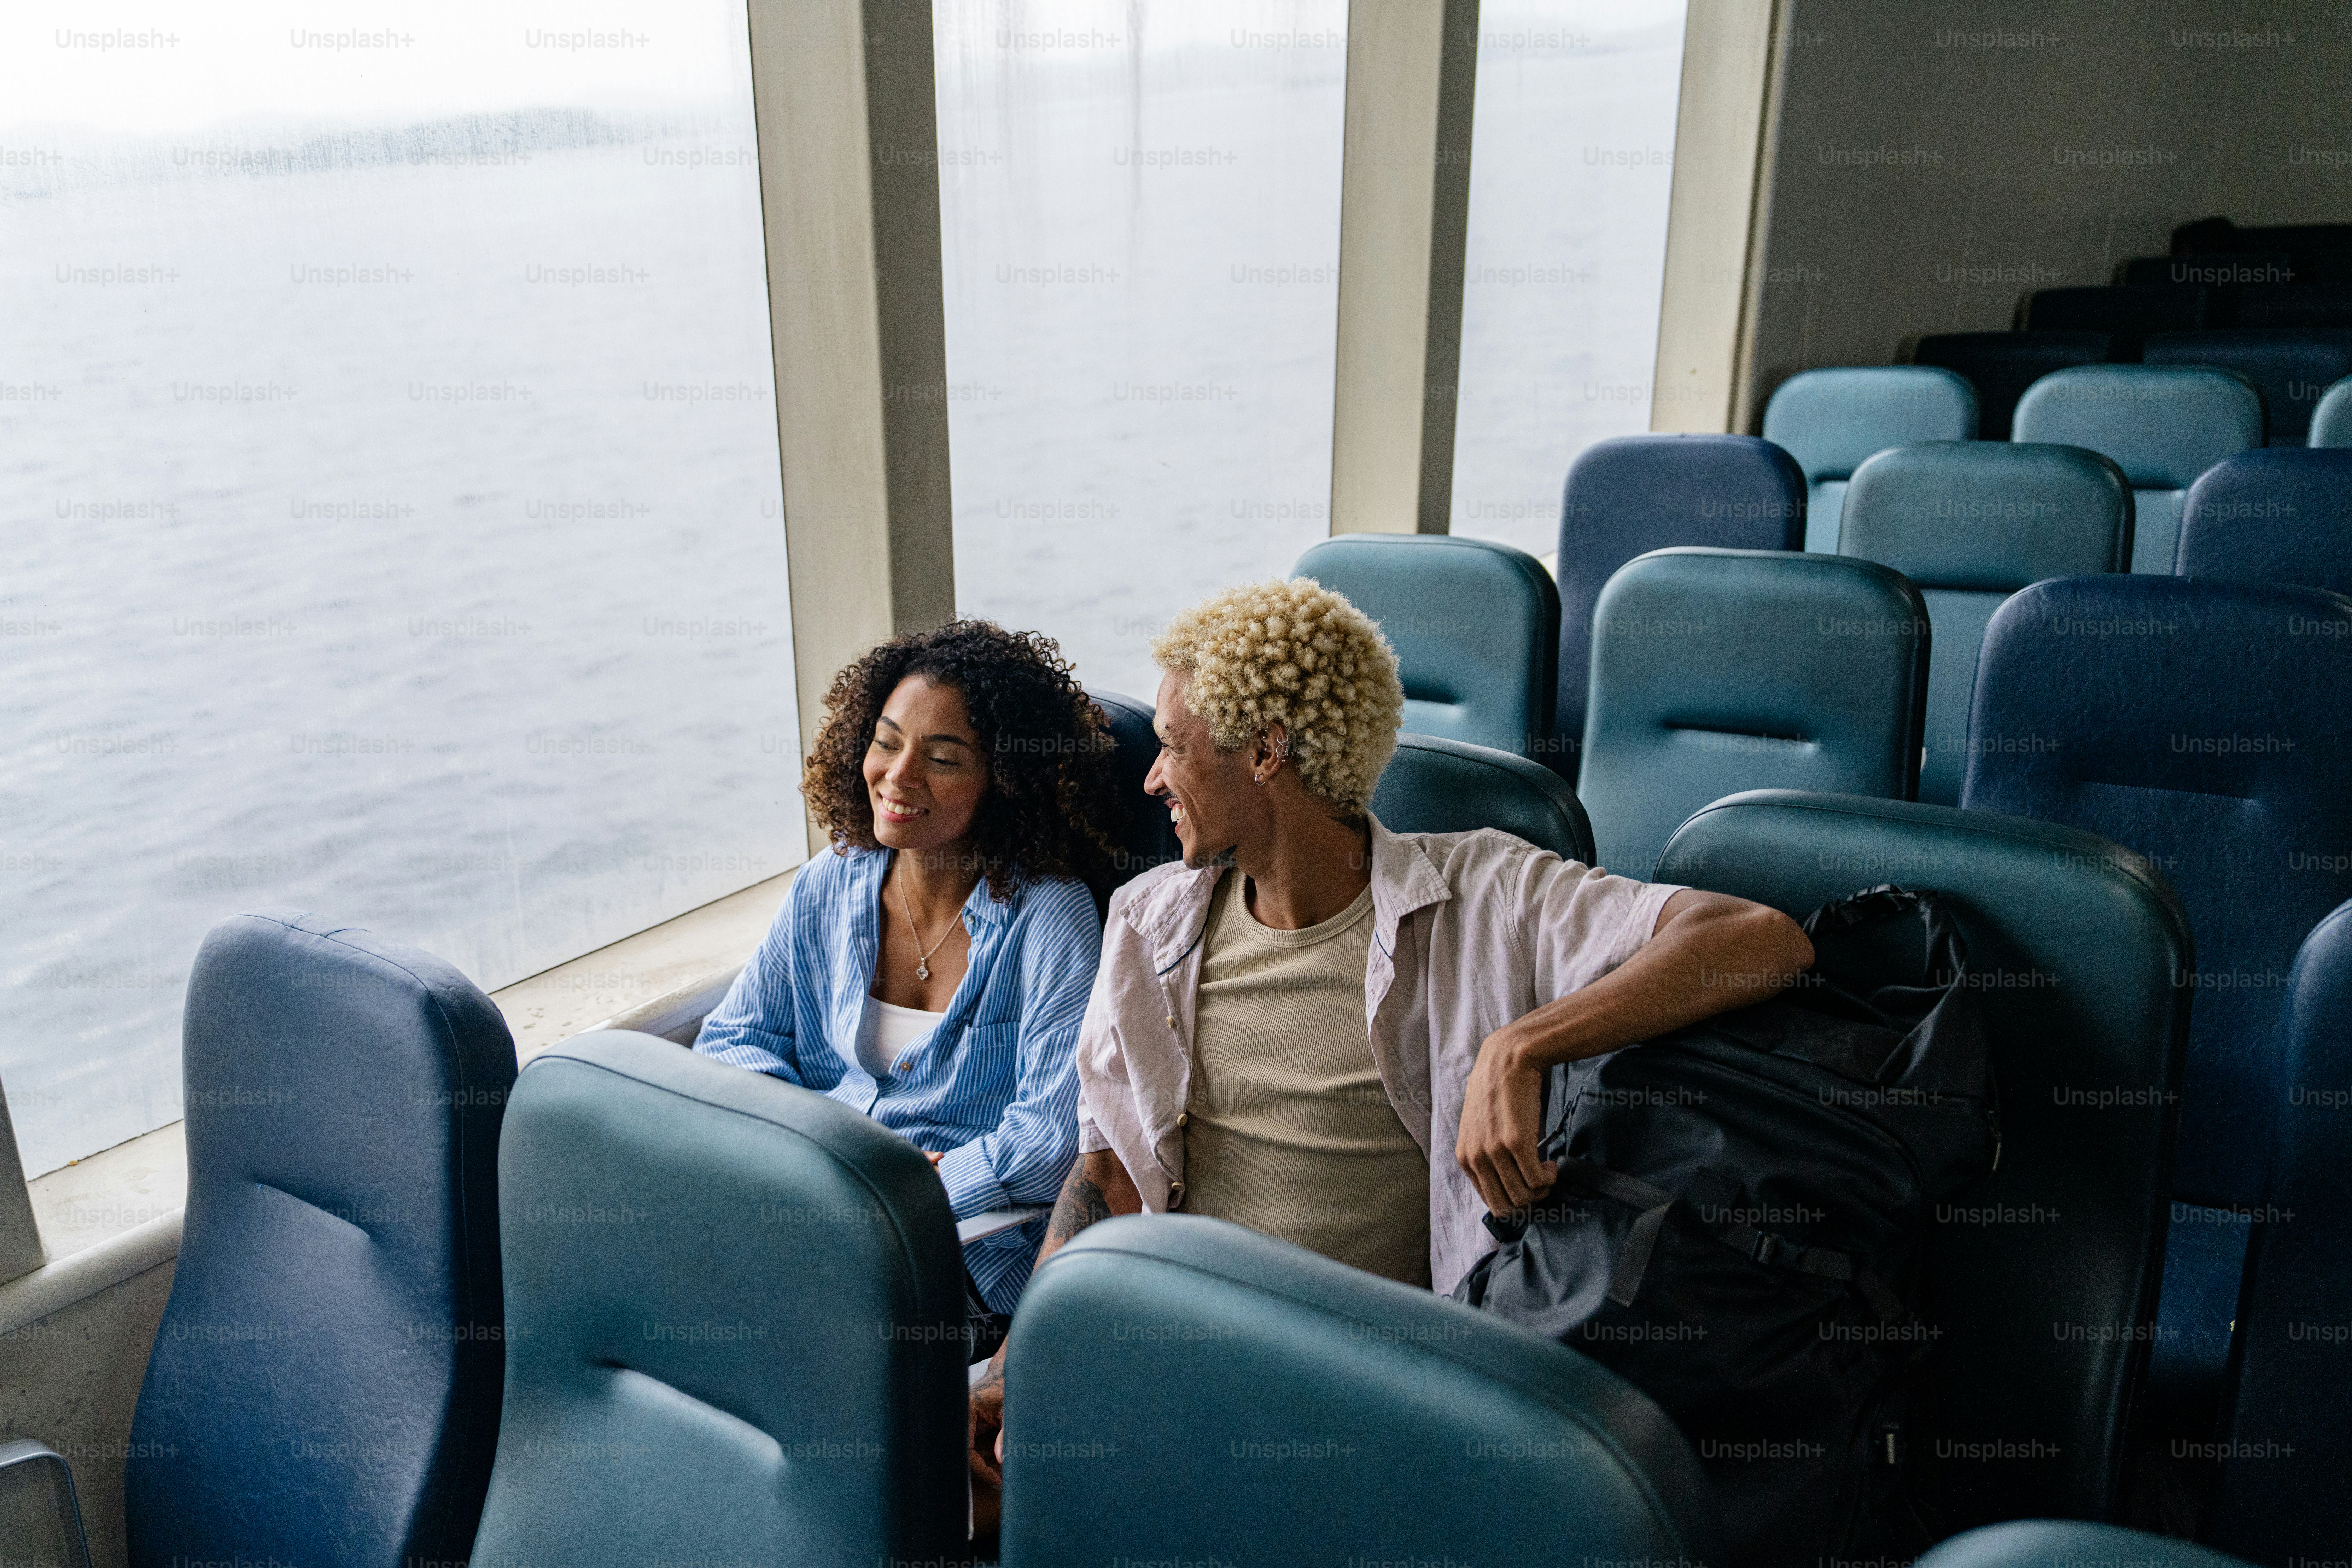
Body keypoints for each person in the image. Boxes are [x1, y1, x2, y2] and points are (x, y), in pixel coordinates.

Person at [968, 578, 1814, 1480]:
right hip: (1180, 1343)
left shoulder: (1489, 896)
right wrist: (1023, 1362)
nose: (1152, 777)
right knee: (963, 1468)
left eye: (1173, 746)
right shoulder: (1148, 923)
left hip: (1368, 1393)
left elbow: (1755, 938)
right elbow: (1106, 1171)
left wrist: (1523, 1045)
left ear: (1266, 751)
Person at [694, 618, 1117, 1356]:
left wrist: (921, 1189)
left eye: (944, 758)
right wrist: (834, 1156)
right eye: (887, 741)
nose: (899, 775)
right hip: (820, 1216)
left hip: (963, 1257)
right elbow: (733, 1039)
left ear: (1005, 780)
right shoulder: (829, 882)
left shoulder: (1052, 915)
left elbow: (1053, 1141)